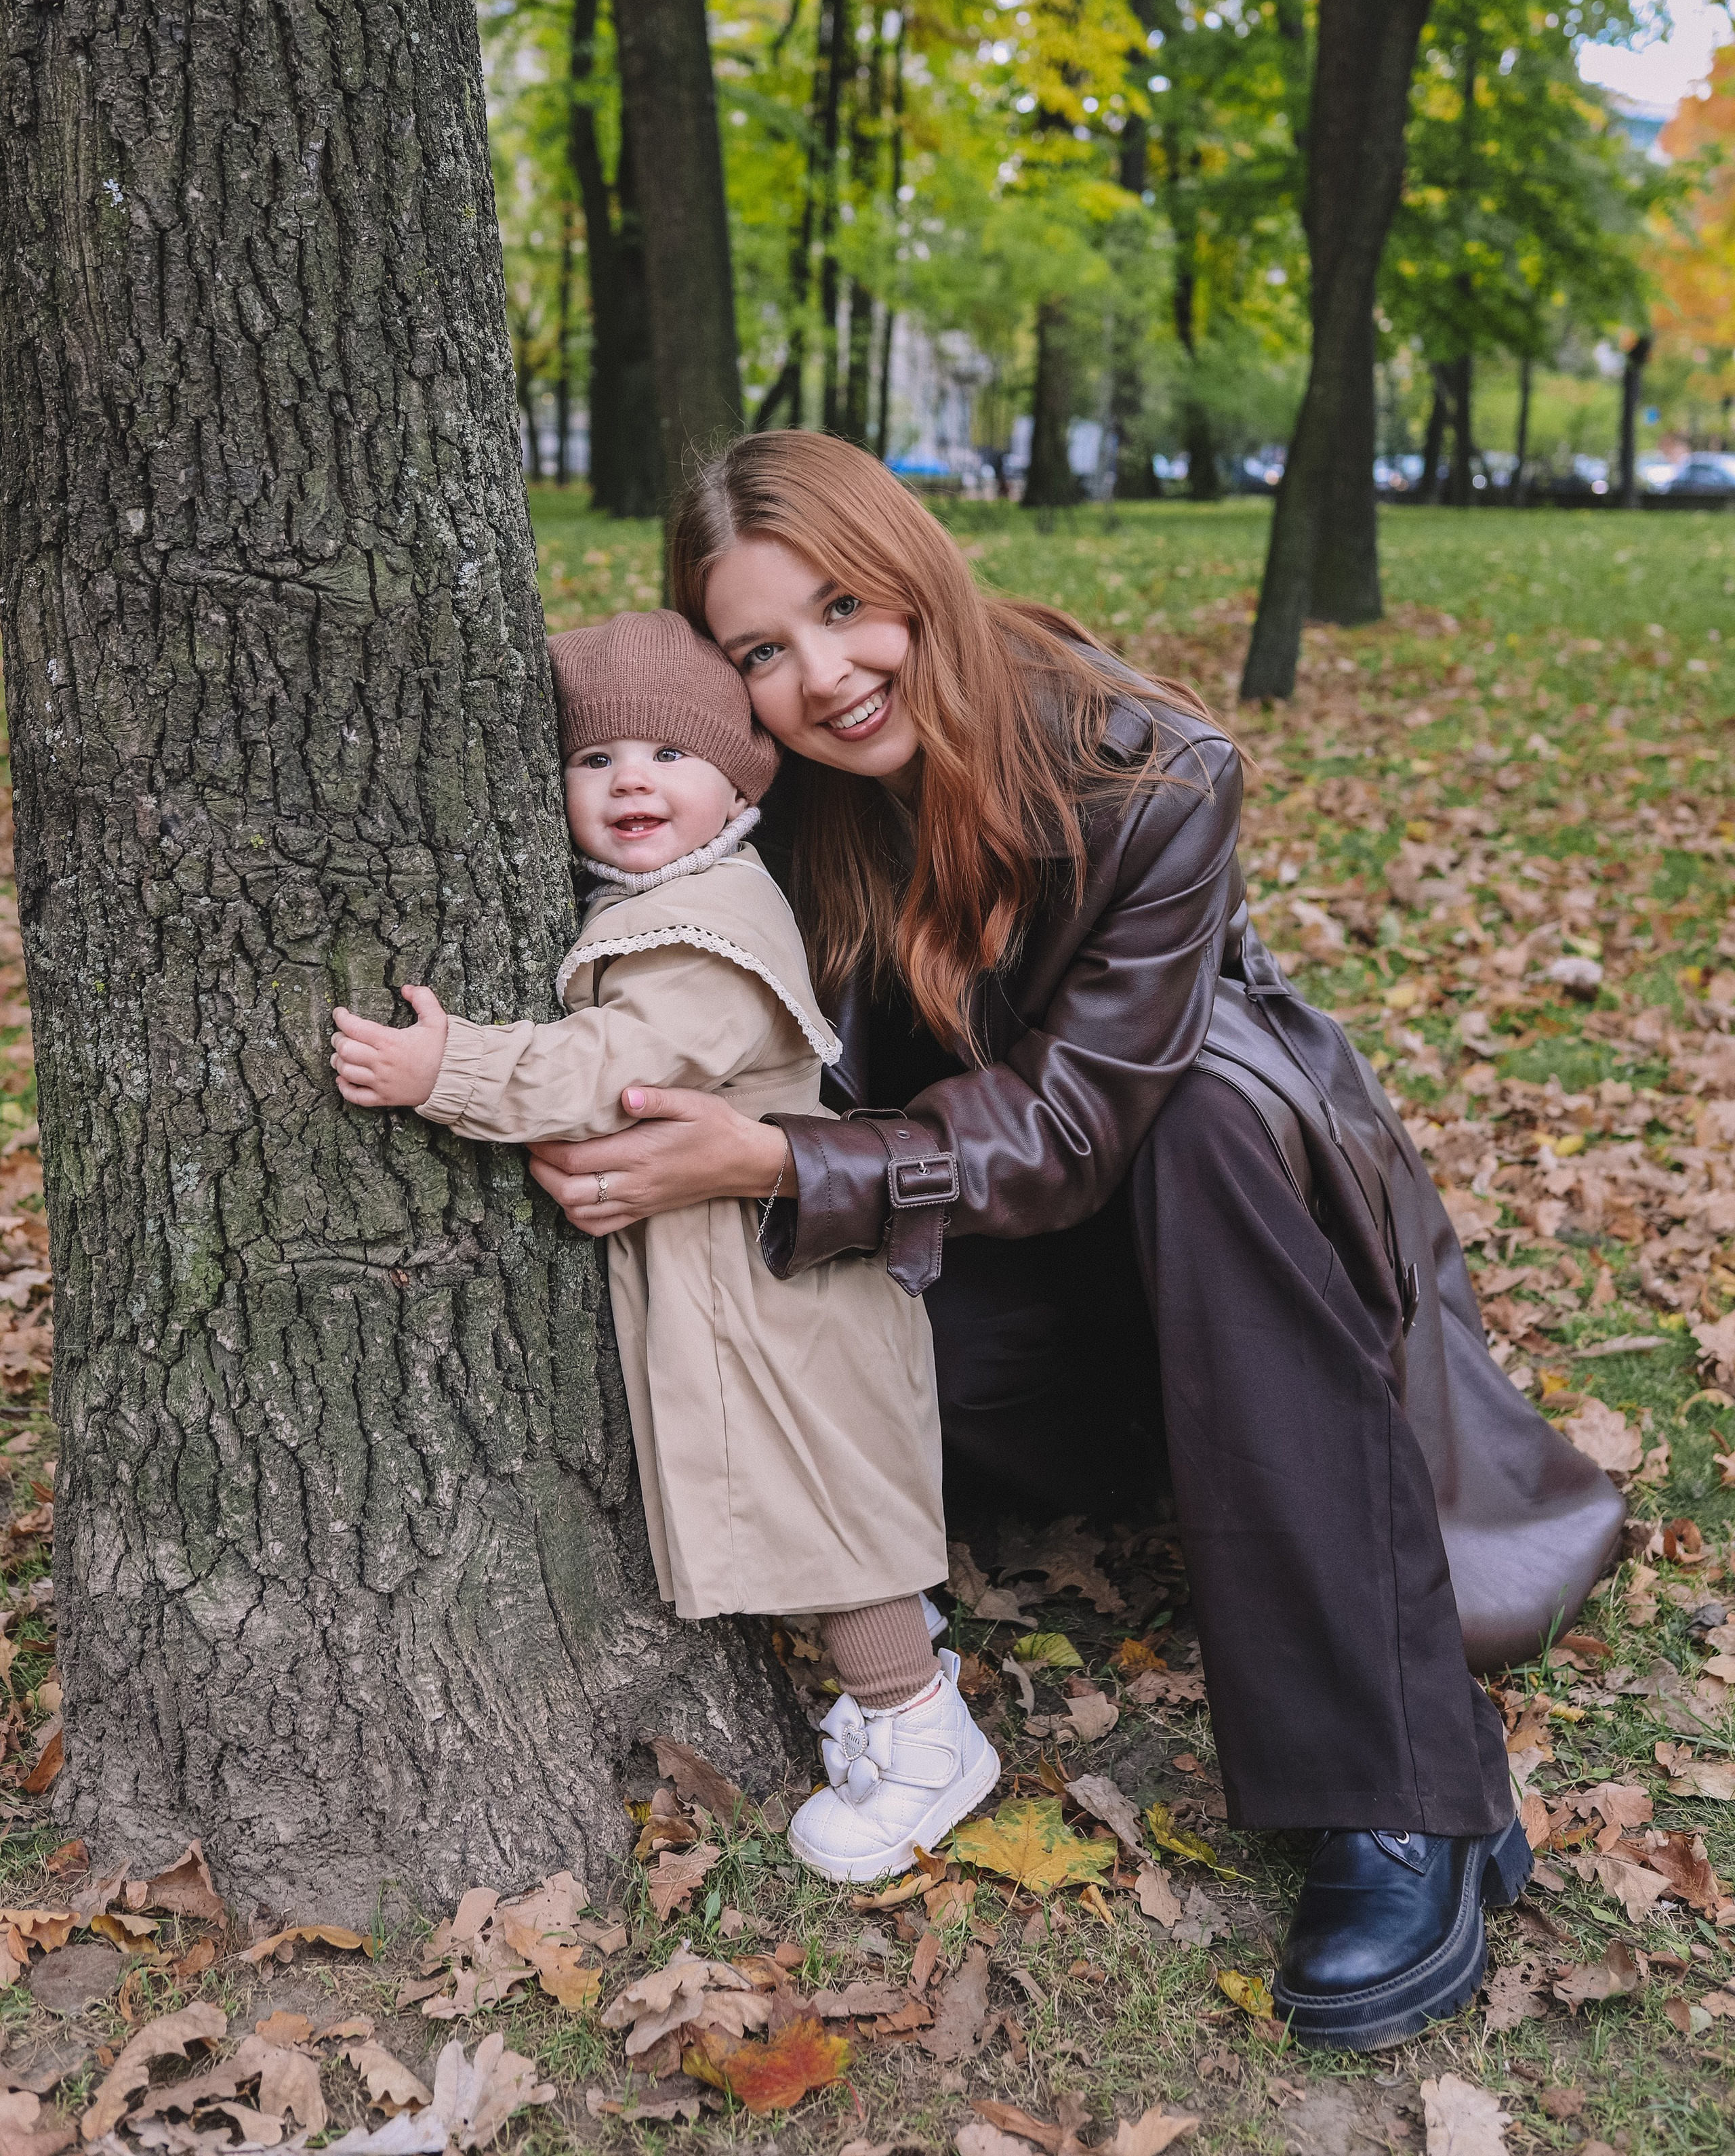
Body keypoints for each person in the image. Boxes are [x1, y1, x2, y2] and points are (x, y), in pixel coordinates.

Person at [527, 436, 1624, 2053]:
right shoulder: (785, 807)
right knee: (906, 1351)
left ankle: (1403, 1789)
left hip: (1232, 1236)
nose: (823, 676)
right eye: (762, 647)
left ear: (917, 571)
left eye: (847, 606)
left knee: (1192, 1120)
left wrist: (766, 1159)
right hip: (1028, 1300)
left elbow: (1068, 1131)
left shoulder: (1149, 770)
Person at [327, 610, 999, 1882]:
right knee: (822, 1515)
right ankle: (895, 1705)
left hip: (785, 1305)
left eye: (668, 755)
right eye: (594, 760)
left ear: (740, 780)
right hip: (750, 1285)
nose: (631, 779)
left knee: (834, 1525)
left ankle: (922, 1733)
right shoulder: (667, 897)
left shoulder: (713, 926)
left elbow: (610, 1067)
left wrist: (447, 1066)